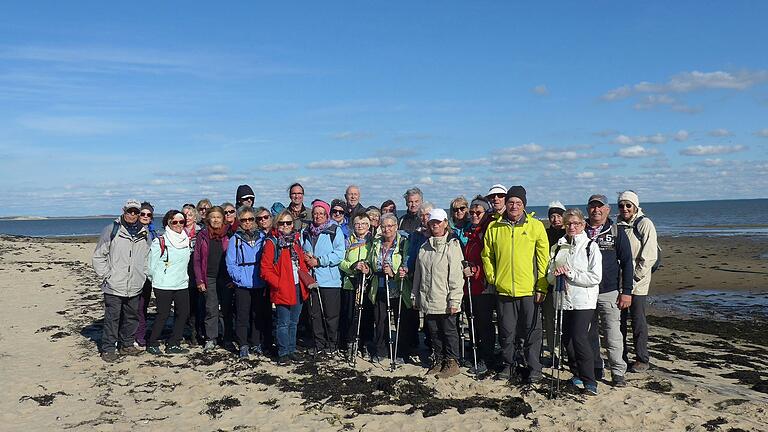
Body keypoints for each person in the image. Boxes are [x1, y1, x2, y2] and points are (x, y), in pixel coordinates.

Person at [481, 186, 549, 384]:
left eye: (518, 203)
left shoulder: (535, 226)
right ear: (506, 204)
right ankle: (509, 365)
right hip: (503, 290)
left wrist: (541, 286)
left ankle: (534, 367)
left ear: (524, 205)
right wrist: (493, 278)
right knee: (506, 332)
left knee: (532, 332)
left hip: (529, 290)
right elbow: (487, 255)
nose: (514, 206)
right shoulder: (494, 227)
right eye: (511, 202)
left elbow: (543, 260)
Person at [547, 208, 602, 395]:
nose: (572, 227)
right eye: (568, 223)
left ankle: (590, 381)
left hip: (583, 301)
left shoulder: (590, 247)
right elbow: (549, 276)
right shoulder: (558, 247)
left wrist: (570, 273)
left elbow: (595, 277)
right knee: (567, 339)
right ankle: (576, 373)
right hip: (563, 299)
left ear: (583, 225)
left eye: (576, 223)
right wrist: (554, 276)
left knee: (579, 338)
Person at [92, 199, 150, 362]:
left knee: (131, 317)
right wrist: (106, 275)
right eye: (129, 211)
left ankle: (126, 344)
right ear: (123, 211)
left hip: (135, 284)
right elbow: (98, 256)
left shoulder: (144, 233)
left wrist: (143, 275)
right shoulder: (112, 229)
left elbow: (146, 258)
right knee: (112, 318)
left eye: (136, 212)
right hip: (114, 285)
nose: (132, 215)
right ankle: (109, 348)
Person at [585, 194, 634, 387]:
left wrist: (627, 291)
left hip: (610, 292)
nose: (596, 210)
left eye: (600, 207)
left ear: (607, 210)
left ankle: (617, 372)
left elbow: (627, 263)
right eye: (592, 206)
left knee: (613, 334)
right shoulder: (580, 230)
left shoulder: (616, 232)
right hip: (585, 292)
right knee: (589, 333)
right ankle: (596, 367)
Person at [413, 208, 464, 378]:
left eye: (438, 222)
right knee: (434, 332)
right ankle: (439, 360)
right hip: (428, 298)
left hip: (446, 299)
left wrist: (455, 300)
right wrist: (416, 296)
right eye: (432, 222)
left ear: (445, 224)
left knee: (449, 332)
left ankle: (452, 362)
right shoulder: (424, 247)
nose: (435, 225)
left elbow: (456, 276)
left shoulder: (452, 246)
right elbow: (418, 276)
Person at [261, 210, 311, 365]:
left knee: (294, 321)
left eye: (288, 222)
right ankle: (283, 352)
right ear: (277, 224)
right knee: (283, 321)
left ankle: (291, 349)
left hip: (297, 286)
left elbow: (300, 263)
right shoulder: (272, 243)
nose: (285, 226)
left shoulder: (295, 241)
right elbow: (265, 270)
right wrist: (279, 283)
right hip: (283, 287)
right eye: (282, 223)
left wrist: (306, 278)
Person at [616, 190, 658, 373]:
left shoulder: (644, 224)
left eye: (628, 205)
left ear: (635, 206)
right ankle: (621, 357)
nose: (625, 208)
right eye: (621, 205)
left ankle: (642, 358)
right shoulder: (617, 225)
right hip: (619, 282)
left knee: (638, 321)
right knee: (619, 322)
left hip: (638, 283)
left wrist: (634, 278)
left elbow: (649, 256)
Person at [359, 213, 409, 363]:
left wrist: (394, 272)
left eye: (390, 226)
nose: (387, 229)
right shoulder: (377, 242)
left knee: (400, 320)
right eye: (384, 226)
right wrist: (367, 268)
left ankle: (401, 352)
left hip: (397, 287)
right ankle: (381, 351)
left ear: (396, 227)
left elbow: (406, 262)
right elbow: (371, 260)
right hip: (379, 286)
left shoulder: (403, 242)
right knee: (380, 321)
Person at [302, 199, 346, 355]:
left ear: (327, 215)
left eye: (321, 213)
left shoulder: (335, 230)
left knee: (331, 315)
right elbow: (302, 250)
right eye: (315, 213)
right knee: (315, 315)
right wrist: (306, 257)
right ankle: (318, 343)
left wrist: (319, 261)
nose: (318, 216)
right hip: (312, 280)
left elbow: (339, 254)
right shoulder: (306, 231)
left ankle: (332, 344)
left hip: (330, 280)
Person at [227, 206, 271, 359]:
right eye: (244, 220)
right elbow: (231, 262)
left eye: (250, 219)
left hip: (259, 282)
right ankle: (243, 344)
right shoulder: (235, 239)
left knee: (257, 315)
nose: (247, 223)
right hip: (242, 284)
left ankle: (256, 342)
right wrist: (238, 278)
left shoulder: (262, 237)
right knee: (242, 316)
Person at [146, 210, 192, 355]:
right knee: (163, 314)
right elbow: (150, 266)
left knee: (183, 313)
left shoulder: (186, 240)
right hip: (163, 285)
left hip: (182, 283)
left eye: (181, 222)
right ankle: (152, 342)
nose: (178, 225)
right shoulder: (160, 241)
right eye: (175, 222)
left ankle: (174, 343)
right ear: (168, 223)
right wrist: (157, 280)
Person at [460, 196, 496, 373]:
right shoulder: (471, 231)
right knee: (472, 321)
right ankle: (476, 353)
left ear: (485, 213)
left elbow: (491, 258)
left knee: (484, 324)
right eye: (472, 212)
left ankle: (486, 358)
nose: (474, 215)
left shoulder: (487, 231)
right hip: (470, 286)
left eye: (478, 212)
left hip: (483, 286)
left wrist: (475, 270)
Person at [193, 206, 232, 351]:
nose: (216, 220)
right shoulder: (202, 235)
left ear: (223, 219)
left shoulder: (229, 234)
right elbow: (196, 259)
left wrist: (233, 279)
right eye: (213, 217)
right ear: (208, 218)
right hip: (208, 276)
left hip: (226, 278)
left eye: (218, 217)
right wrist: (199, 280)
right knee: (211, 308)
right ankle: (211, 338)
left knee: (227, 309)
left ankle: (228, 338)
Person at [339, 213, 373, 357]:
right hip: (350, 283)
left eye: (364, 223)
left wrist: (368, 268)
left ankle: (365, 344)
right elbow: (341, 261)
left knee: (366, 315)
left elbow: (375, 260)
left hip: (366, 283)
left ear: (369, 225)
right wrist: (353, 266)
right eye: (358, 223)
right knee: (349, 315)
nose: (360, 226)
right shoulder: (347, 241)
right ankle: (350, 344)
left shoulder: (373, 241)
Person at [542, 200, 566, 361]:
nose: (556, 219)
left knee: (566, 322)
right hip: (549, 284)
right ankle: (554, 352)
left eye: (559, 215)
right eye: (552, 216)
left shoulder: (571, 234)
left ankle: (566, 351)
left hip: (568, 285)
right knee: (550, 321)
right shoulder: (545, 234)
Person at [134, 202, 158, 347]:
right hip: (132, 274)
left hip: (147, 275)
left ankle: (140, 335)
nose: (145, 216)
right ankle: (127, 335)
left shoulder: (153, 233)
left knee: (142, 307)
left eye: (148, 214)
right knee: (130, 308)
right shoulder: (130, 230)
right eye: (142, 213)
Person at [182, 203, 204, 346]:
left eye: (190, 215)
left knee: (199, 305)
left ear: (195, 217)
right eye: (184, 215)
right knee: (184, 306)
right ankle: (187, 332)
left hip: (197, 271)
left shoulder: (201, 231)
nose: (187, 218)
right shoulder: (177, 231)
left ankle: (198, 332)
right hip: (182, 272)